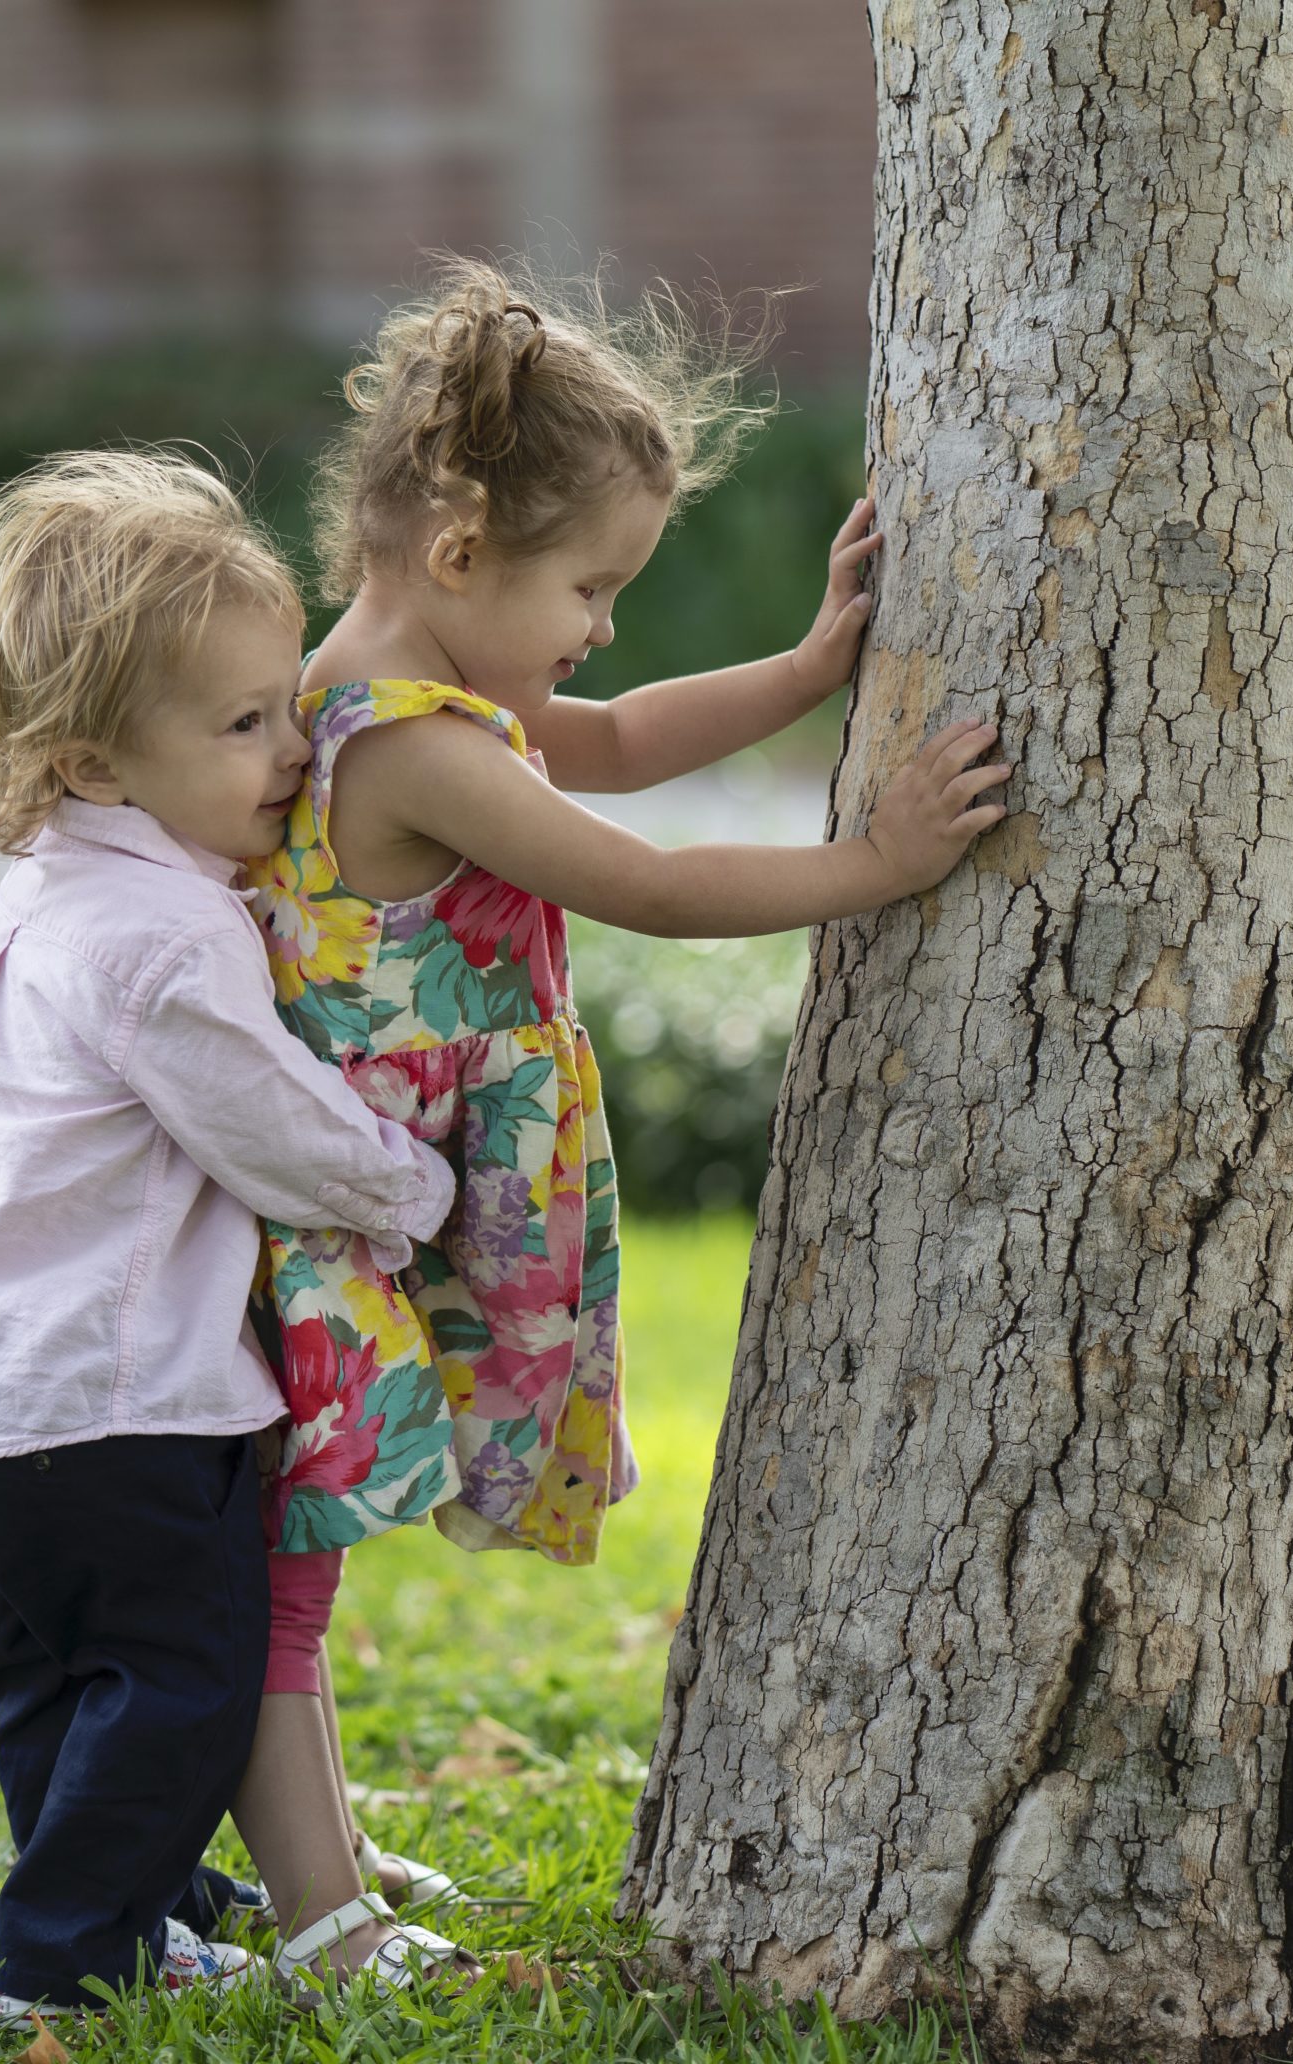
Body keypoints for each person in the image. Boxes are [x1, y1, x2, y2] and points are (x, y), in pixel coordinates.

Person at [234, 258, 1011, 1993]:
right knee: (287, 1559)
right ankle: (319, 1919)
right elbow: (645, 883)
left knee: (303, 1554)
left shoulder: (404, 691)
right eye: (588, 586)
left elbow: (628, 740)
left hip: (376, 1189)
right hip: (337, 1214)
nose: (601, 628)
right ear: (458, 558)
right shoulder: (408, 746)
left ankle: (327, 1848)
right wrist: (875, 866)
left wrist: (818, 664)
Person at [0, 449, 458, 2030]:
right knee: (189, 1684)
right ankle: (60, 1964)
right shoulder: (157, 941)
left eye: (290, 702)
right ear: (91, 759)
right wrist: (412, 1188)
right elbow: (263, 1119)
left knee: (66, 1696)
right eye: (244, 724)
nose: (296, 747)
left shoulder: (52, 894)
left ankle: (135, 1913)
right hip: (115, 1404)